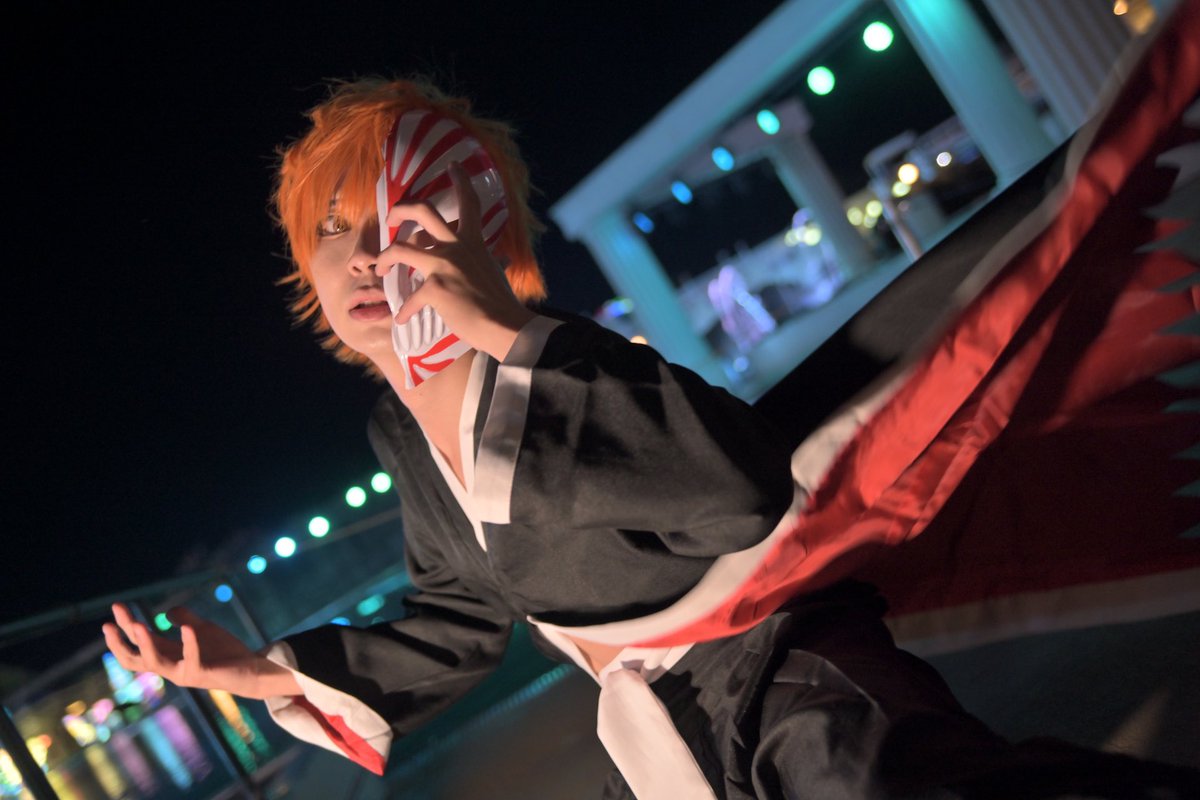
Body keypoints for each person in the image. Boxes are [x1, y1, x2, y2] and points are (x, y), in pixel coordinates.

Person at [103, 73, 1199, 800]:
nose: (361, 255)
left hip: (787, 666)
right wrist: (266, 671)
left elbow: (737, 490)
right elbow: (459, 619)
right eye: (332, 230)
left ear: (467, 231)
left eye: (394, 219)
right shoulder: (402, 430)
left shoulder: (554, 358)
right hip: (666, 729)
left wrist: (514, 330)